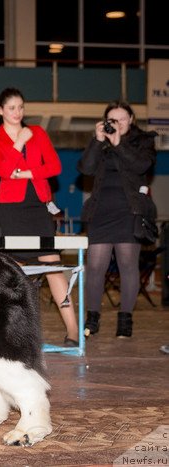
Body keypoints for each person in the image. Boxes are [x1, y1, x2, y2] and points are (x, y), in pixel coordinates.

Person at [0, 87, 79, 347]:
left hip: (38, 206)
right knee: (17, 271)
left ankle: (73, 330)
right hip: (11, 209)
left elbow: (55, 166)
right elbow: (3, 169)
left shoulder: (38, 132)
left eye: (21, 107)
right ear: (0, 110)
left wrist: (24, 173)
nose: (17, 112)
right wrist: (19, 143)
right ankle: (18, 333)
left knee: (53, 266)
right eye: (12, 108)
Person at [77, 101, 157, 339]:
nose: (118, 123)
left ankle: (125, 321)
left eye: (123, 119)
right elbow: (86, 169)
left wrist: (118, 143)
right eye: (113, 120)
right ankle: (92, 319)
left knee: (128, 266)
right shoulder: (102, 143)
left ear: (131, 119)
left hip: (129, 210)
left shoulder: (143, 141)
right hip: (101, 211)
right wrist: (97, 140)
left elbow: (141, 165)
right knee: (95, 267)